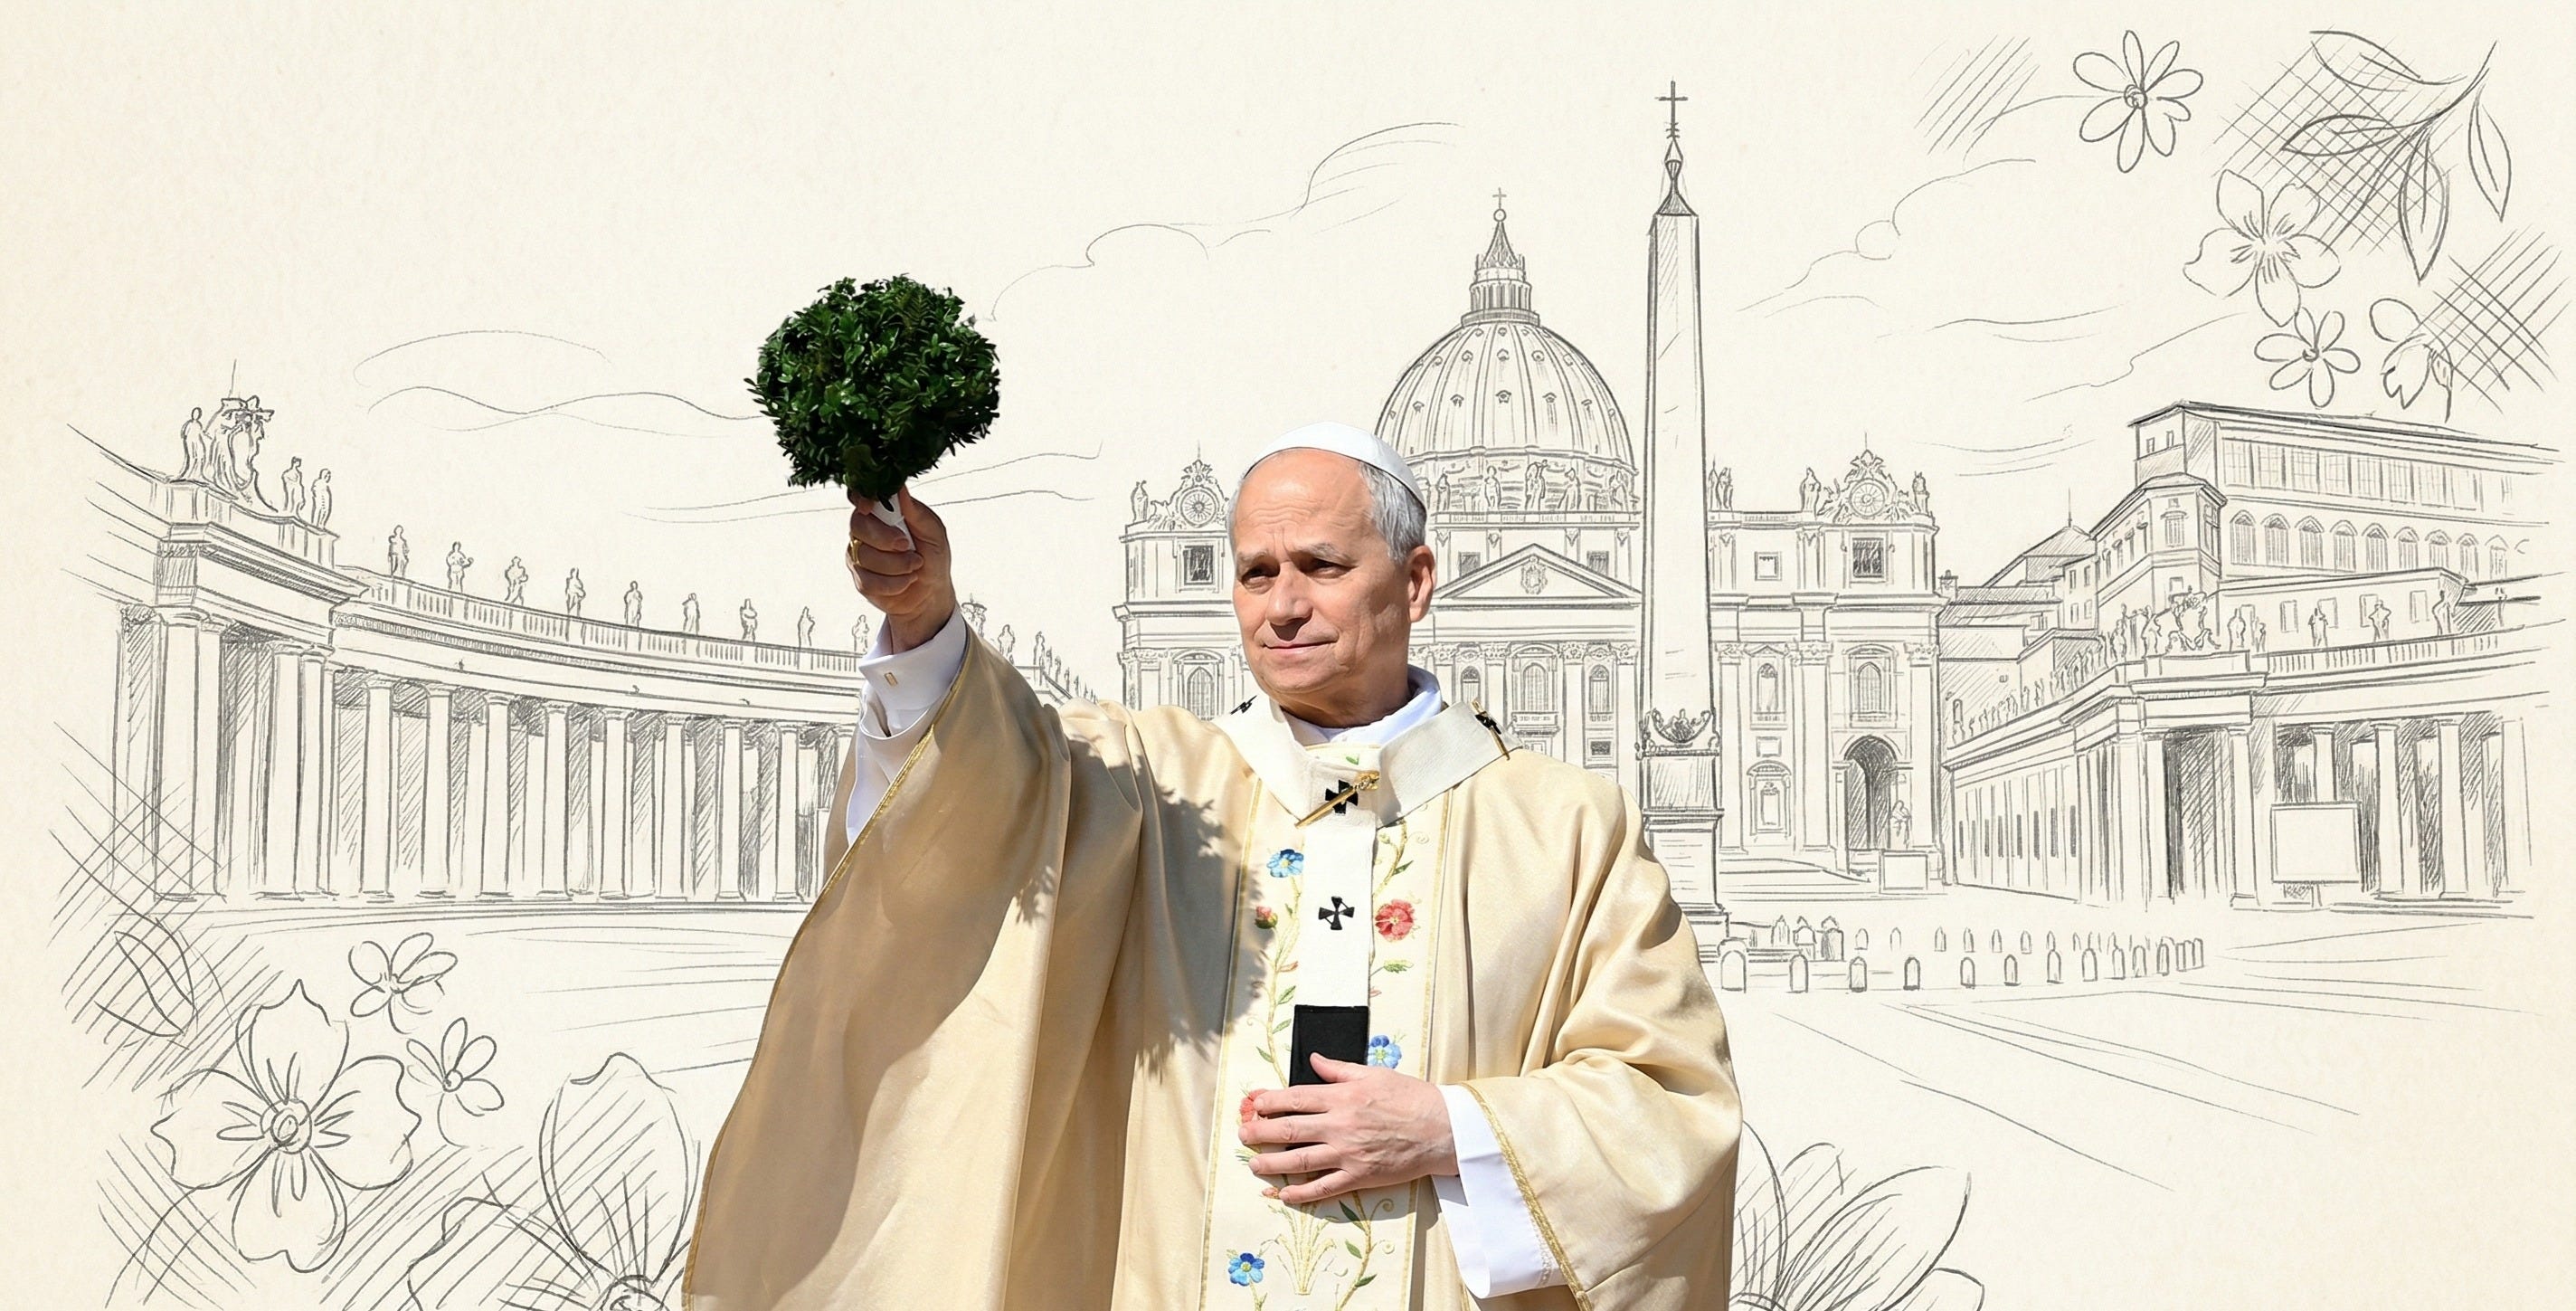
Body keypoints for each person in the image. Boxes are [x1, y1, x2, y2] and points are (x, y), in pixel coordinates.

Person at [685, 422, 1739, 1310]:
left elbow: (1672, 1106)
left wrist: (1450, 1130)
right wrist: (922, 628)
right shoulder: (1154, 788)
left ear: (1416, 581)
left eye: (1322, 567)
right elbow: (987, 803)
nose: (1282, 606)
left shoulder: (1567, 828)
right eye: (1254, 573)